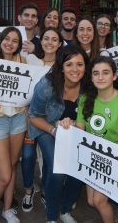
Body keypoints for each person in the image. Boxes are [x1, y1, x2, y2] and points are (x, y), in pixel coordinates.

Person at [29, 45, 89, 223]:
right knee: (58, 170)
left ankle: (65, 209)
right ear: (61, 66)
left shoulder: (89, 85)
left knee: (80, 169)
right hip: (46, 127)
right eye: (69, 64)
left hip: (75, 129)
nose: (75, 69)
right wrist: (55, 130)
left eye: (80, 64)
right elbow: (33, 116)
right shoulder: (46, 85)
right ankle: (52, 217)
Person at [75, 56, 118, 223]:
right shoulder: (84, 99)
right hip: (90, 157)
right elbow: (80, 132)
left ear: (114, 76)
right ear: (91, 77)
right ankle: (114, 219)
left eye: (105, 73)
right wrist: (67, 124)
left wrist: (106, 162)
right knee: (91, 201)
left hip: (112, 160)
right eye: (96, 73)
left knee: (98, 200)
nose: (100, 77)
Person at [0, 27, 27, 223]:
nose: (10, 43)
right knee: (4, 175)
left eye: (15, 40)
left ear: (19, 44)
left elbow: (30, 89)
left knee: (12, 165)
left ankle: (7, 209)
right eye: (7, 39)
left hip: (17, 119)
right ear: (1, 40)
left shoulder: (23, 62)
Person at [21, 27, 63, 213]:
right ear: (41, 41)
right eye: (46, 38)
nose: (50, 42)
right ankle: (29, 189)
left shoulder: (62, 67)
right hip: (28, 118)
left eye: (54, 39)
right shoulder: (30, 60)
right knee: (28, 156)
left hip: (50, 122)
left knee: (48, 159)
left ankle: (46, 190)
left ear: (60, 44)